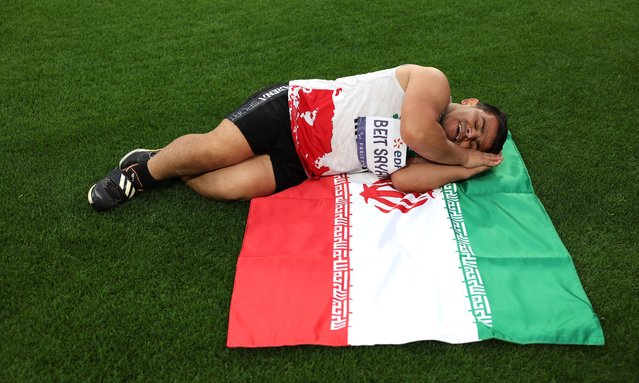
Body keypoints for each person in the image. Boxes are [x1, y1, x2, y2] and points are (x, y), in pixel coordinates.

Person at [88, 64, 508, 212]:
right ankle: (141, 173)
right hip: (292, 110)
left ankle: (170, 157)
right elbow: (415, 130)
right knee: (215, 149)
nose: (469, 137)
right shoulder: (434, 85)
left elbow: (403, 181)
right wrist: (461, 157)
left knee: (226, 186)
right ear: (468, 102)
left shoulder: (442, 156)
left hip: (305, 164)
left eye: (476, 143)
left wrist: (460, 170)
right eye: (477, 124)